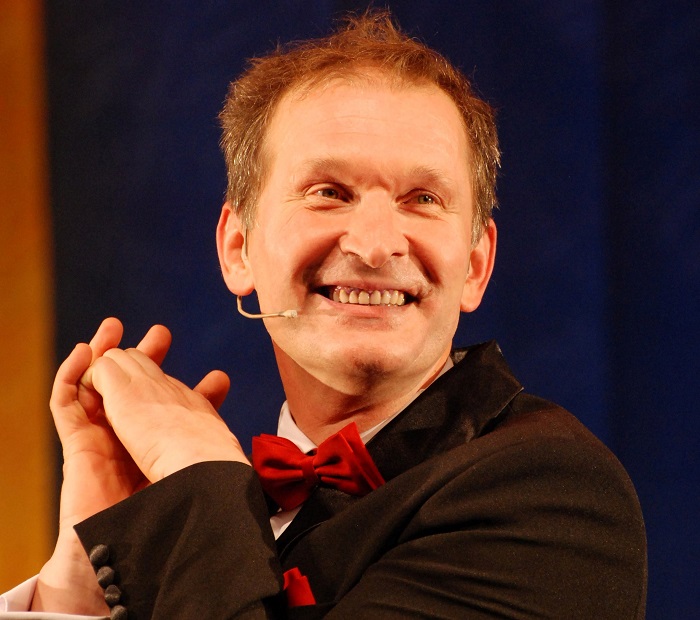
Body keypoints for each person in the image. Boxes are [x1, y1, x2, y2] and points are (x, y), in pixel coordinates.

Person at [1, 10, 646, 619]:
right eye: (328, 193)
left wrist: (197, 475)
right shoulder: (209, 507)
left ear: (475, 266)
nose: (375, 244)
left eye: (422, 199)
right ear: (238, 249)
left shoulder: (551, 493)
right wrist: (81, 580)